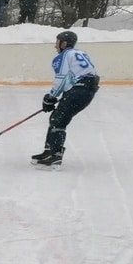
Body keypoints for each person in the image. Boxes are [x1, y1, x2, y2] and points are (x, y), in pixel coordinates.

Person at [32, 30, 99, 167]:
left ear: (64, 43)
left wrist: (50, 97)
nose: (55, 46)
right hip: (88, 90)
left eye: (57, 42)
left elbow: (61, 79)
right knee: (57, 117)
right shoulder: (81, 53)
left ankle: (55, 155)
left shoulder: (63, 56)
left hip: (79, 90)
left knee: (58, 120)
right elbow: (76, 77)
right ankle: (49, 151)